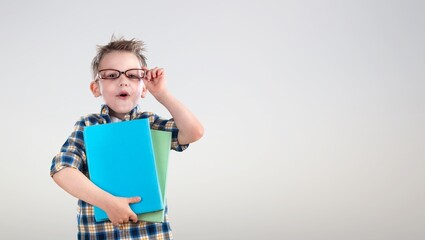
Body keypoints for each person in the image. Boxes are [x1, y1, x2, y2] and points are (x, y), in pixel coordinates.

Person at [50, 36, 204, 239]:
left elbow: (193, 132)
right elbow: (61, 169)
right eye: (112, 75)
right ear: (96, 88)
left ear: (144, 88)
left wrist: (163, 94)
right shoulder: (88, 126)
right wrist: (108, 203)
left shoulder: (149, 124)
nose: (123, 81)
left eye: (133, 75)